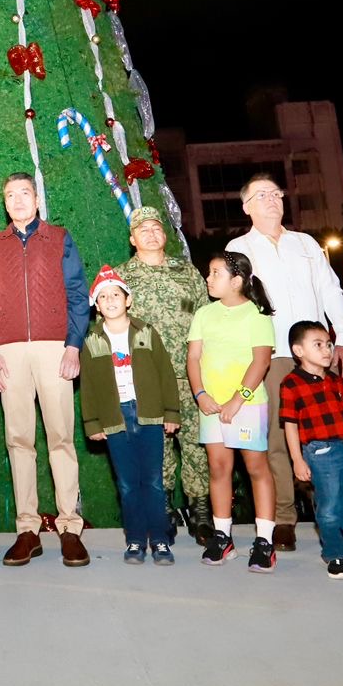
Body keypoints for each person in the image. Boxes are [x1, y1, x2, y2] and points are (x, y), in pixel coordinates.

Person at [226, 173, 343, 553]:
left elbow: (331, 292)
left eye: (276, 194)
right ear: (246, 206)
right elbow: (237, 305)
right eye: (261, 195)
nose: (271, 200)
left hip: (318, 355)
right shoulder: (239, 248)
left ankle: (336, 519)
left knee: (329, 438)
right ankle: (284, 518)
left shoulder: (306, 243)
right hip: (273, 355)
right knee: (278, 440)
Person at [0, 172, 91, 567]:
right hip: (9, 351)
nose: (18, 200)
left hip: (54, 347)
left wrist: (73, 345)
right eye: (10, 195)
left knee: (61, 438)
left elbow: (78, 292)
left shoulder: (59, 238)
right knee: (18, 440)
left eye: (24, 193)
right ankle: (27, 529)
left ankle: (69, 528)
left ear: (37, 199)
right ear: (5, 204)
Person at [117, 206, 212, 543]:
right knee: (156, 446)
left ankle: (201, 511)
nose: (152, 234)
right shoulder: (121, 278)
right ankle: (164, 509)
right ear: (132, 239)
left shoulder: (187, 272)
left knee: (196, 444)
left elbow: (206, 318)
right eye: (143, 230)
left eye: (156, 228)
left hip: (191, 373)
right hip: (147, 378)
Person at [79, 266, 180, 566]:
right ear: (96, 306)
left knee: (153, 481)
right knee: (126, 484)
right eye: (103, 297)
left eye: (116, 295)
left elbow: (166, 374)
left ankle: (160, 540)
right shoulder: (92, 340)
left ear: (128, 300)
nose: (110, 301)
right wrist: (92, 423)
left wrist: (171, 413)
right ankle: (135, 540)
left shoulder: (146, 332)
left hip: (148, 415)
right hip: (115, 418)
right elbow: (88, 387)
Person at [186, 250, 278, 571]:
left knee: (256, 469)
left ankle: (265, 541)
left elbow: (261, 360)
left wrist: (239, 398)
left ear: (236, 281)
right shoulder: (203, 315)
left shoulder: (257, 314)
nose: (208, 278)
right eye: (208, 273)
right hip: (211, 405)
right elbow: (194, 358)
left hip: (247, 405)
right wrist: (201, 394)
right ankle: (223, 539)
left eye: (215, 273)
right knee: (218, 469)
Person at [280, 321, 343, 580]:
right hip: (319, 451)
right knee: (328, 506)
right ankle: (335, 553)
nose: (327, 350)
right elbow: (290, 425)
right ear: (298, 350)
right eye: (317, 345)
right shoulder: (291, 384)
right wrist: (297, 460)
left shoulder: (336, 380)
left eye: (328, 344)